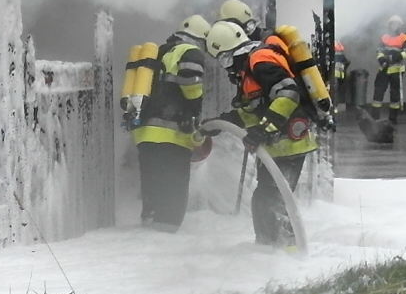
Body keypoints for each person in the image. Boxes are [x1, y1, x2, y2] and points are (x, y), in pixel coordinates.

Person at [227, 24, 315, 249]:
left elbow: (289, 94)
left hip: (289, 143)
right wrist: (224, 121)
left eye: (225, 61)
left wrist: (262, 130)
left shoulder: (260, 61)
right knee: (262, 199)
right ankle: (266, 251)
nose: (228, 70)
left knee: (276, 200)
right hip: (275, 146)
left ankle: (290, 253)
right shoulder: (249, 70)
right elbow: (253, 109)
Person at [130, 15, 215, 230]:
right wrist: (192, 109)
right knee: (171, 203)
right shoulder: (190, 51)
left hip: (145, 135)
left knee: (153, 196)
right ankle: (164, 238)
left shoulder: (159, 52)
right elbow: (190, 80)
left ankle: (147, 237)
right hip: (171, 136)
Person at [370, 19, 406, 116]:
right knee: (378, 92)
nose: (394, 26)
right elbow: (379, 50)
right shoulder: (384, 37)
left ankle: (393, 118)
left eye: (396, 24)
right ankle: (375, 117)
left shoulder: (404, 38)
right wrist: (382, 59)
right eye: (392, 24)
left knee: (395, 95)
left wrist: (398, 56)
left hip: (397, 70)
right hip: (384, 69)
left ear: (400, 26)